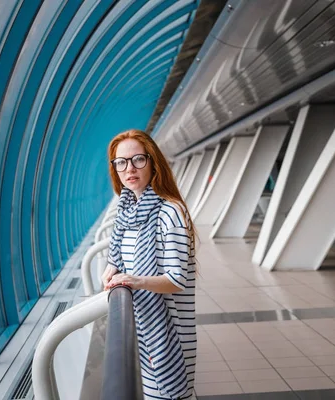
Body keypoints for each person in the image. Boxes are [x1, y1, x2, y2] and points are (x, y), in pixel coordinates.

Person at [102, 129, 197, 399]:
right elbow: (119, 252)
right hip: (142, 332)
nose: (129, 168)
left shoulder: (170, 211)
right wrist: (113, 265)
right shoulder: (127, 209)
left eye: (138, 160)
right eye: (121, 162)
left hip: (169, 336)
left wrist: (134, 281)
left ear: (153, 162)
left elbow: (177, 280)